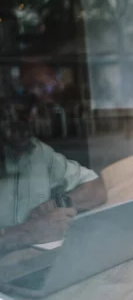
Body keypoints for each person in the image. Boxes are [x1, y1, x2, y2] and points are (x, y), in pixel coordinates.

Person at [0, 92, 107, 255]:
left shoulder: (38, 152)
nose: (24, 121)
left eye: (28, 114)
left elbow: (96, 187)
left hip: (33, 263)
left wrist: (56, 205)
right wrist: (28, 232)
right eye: (11, 114)